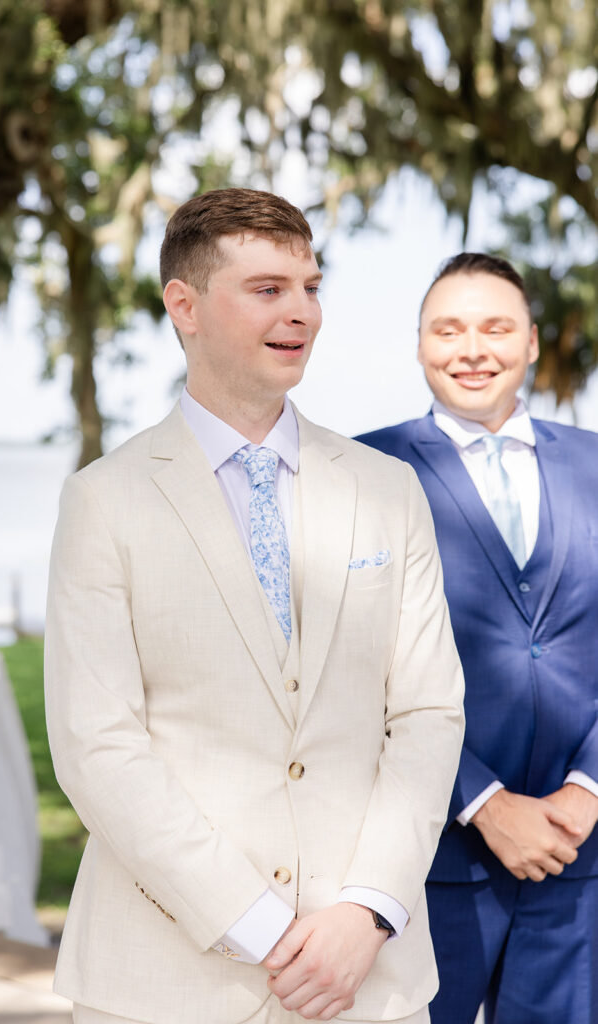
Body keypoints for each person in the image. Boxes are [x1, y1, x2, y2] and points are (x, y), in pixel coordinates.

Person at [44, 187, 464, 1024]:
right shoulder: (104, 501)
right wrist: (261, 927)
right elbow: (98, 746)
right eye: (267, 289)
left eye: (310, 287)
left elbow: (427, 712)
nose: (301, 311)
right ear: (184, 306)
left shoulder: (387, 490)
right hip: (162, 985)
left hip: (364, 979)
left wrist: (365, 910)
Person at [357, 252, 598, 1024]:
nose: (471, 350)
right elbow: (350, 667)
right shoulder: (361, 471)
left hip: (580, 861)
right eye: (446, 330)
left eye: (494, 328)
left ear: (530, 341)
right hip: (428, 862)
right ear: (418, 344)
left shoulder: (595, 464)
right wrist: (486, 805)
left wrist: (587, 789)